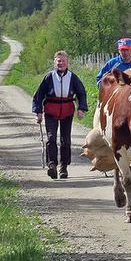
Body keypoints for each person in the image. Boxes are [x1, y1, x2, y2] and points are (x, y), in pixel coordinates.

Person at [32, 50, 88, 179]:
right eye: (58, 61)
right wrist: (38, 112)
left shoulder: (73, 77)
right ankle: (52, 165)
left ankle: (63, 167)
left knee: (65, 140)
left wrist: (81, 108)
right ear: (54, 63)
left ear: (67, 62)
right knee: (51, 138)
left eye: (63, 61)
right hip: (51, 110)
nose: (61, 63)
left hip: (67, 111)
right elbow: (38, 95)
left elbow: (81, 93)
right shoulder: (49, 77)